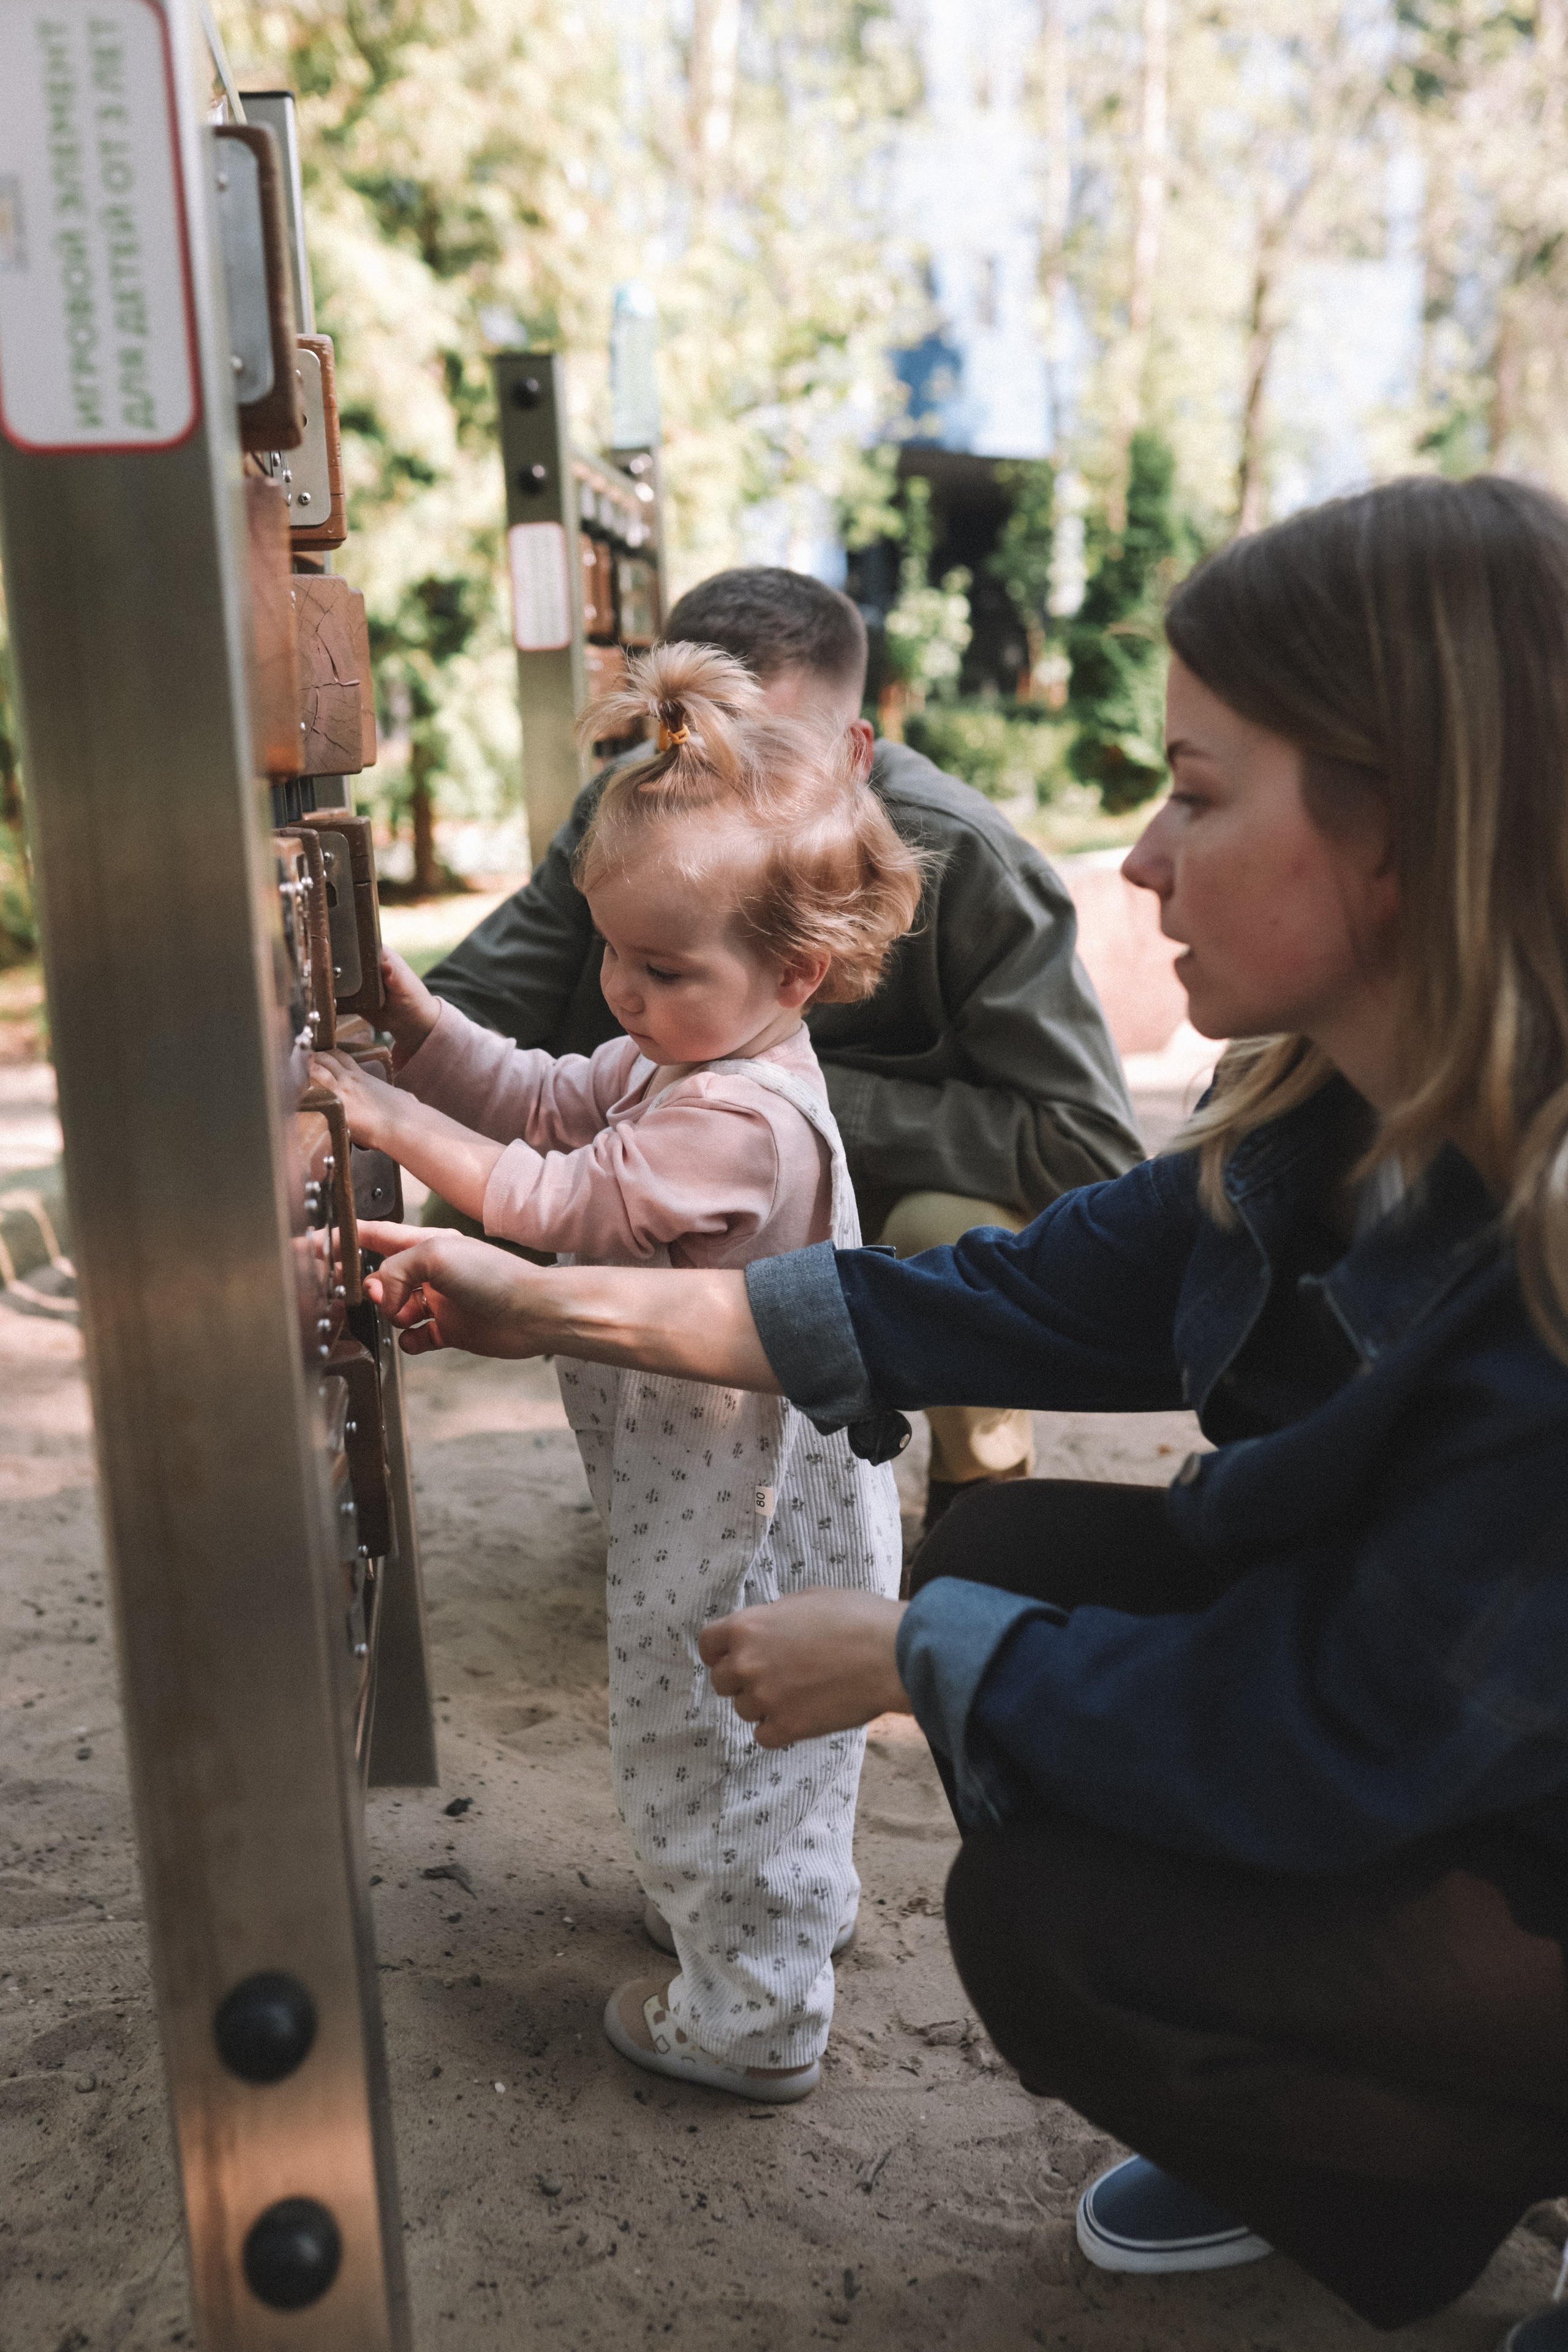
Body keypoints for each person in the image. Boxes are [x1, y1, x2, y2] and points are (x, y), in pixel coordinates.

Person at [359, 475, 1568, 2346]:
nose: (1145, 861)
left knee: (1052, 1925)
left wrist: (926, 1654)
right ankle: (1386, 2156)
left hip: (1493, 1810)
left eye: (1198, 788)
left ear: (1400, 831)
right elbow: (993, 1297)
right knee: (1007, 1535)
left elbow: (1347, 1729)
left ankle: (1456, 2115)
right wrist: (542, 1298)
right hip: (1456, 1761)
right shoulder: (1317, 1120)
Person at [321, 644, 921, 2103]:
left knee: (717, 1717)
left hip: (751, 1512)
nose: (622, 993)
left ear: (794, 975)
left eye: (661, 970)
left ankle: (754, 2014)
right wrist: (415, 1023)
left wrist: (382, 1113)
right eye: (611, 956)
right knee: (723, 1730)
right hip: (696, 1487)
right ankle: (768, 1919)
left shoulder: (748, 1120)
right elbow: (538, 1096)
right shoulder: (678, 1054)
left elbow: (554, 1204)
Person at [422, 564, 1144, 1525]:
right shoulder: (644, 817)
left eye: (766, 753)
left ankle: (980, 1491)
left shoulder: (966, 856)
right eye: (696, 748)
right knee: (465, 1193)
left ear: (854, 750)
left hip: (890, 1196)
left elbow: (1090, 1147)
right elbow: (476, 997)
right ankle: (686, 1481)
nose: (717, 794)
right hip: (689, 1177)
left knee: (949, 1230)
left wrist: (767, 1093)